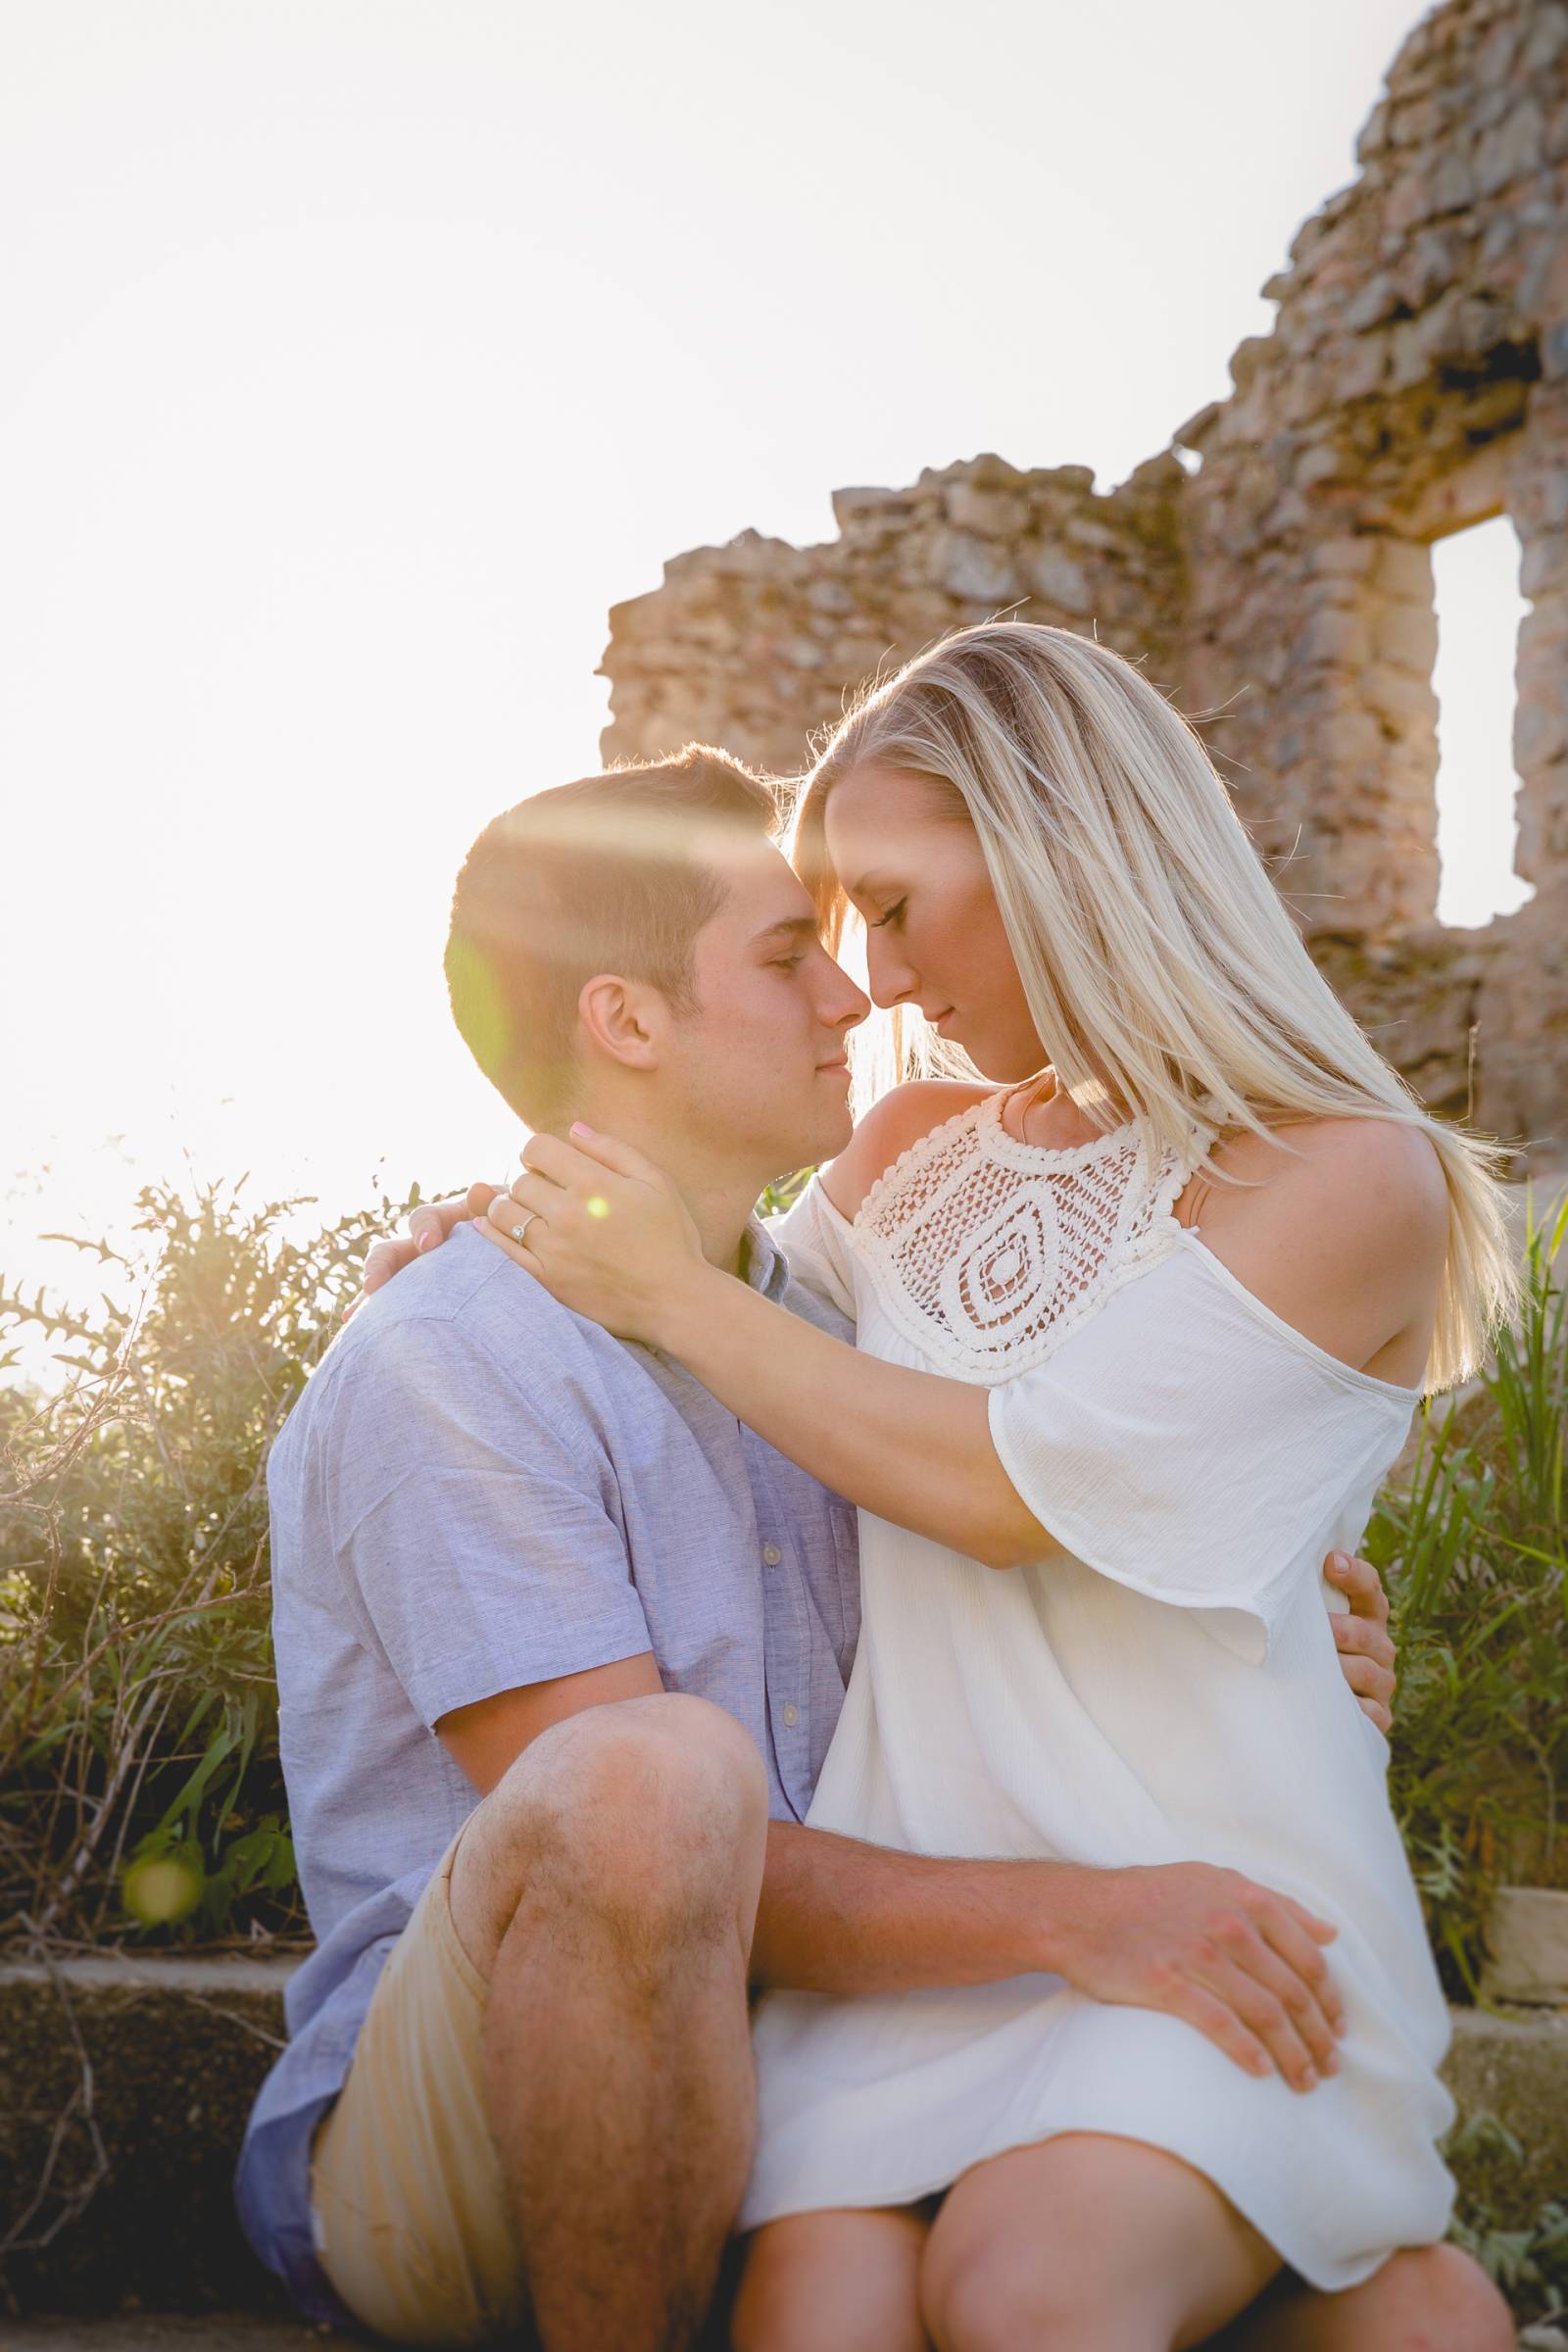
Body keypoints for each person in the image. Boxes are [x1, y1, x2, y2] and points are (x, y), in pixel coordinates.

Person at [453, 625, 1518, 2352]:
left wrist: (670, 1289)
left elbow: (1009, 1487)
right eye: (834, 926)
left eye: (891, 903)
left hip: (1214, 1923)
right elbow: (700, 1329)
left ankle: (1379, 2276)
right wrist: (497, 1242)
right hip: (928, 1941)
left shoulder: (1346, 1175)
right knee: (821, 2321)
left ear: (1055, 845)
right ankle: (1392, 2307)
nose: (868, 980)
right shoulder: (895, 1157)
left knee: (1023, 2289)